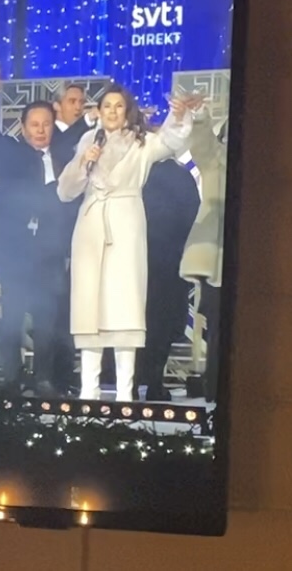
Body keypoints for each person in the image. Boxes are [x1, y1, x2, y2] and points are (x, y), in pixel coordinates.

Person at [56, 84, 194, 402]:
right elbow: (65, 191)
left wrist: (178, 115)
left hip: (125, 225)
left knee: (124, 305)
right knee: (89, 307)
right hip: (90, 226)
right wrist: (83, 163)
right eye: (107, 106)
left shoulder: (141, 143)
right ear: (99, 111)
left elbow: (171, 140)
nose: (112, 112)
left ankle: (124, 391)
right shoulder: (88, 141)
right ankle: (89, 389)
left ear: (127, 111)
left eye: (118, 106)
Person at [0, 100, 81, 397]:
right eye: (34, 125)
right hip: (16, 252)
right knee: (12, 317)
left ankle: (44, 379)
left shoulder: (64, 157)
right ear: (24, 128)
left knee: (48, 320)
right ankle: (11, 377)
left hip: (51, 251)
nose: (41, 130)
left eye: (46, 124)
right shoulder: (13, 155)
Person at [136, 156, 200, 400]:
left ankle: (131, 381)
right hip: (170, 261)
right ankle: (154, 382)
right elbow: (193, 216)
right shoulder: (180, 175)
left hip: (137, 259)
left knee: (136, 322)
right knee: (163, 326)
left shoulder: (136, 171)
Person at [179, 105, 227, 402]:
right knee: (219, 326)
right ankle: (216, 389)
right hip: (218, 259)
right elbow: (202, 144)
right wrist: (198, 114)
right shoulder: (215, 160)